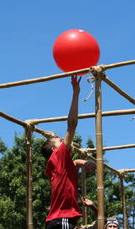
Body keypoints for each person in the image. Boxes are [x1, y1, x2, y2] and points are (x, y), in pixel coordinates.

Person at [41, 75, 95, 229]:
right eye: (60, 140)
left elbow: (74, 163)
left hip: (59, 221)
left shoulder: (58, 164)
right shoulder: (59, 155)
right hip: (62, 220)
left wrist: (83, 162)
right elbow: (72, 124)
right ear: (55, 149)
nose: (64, 141)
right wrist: (76, 93)